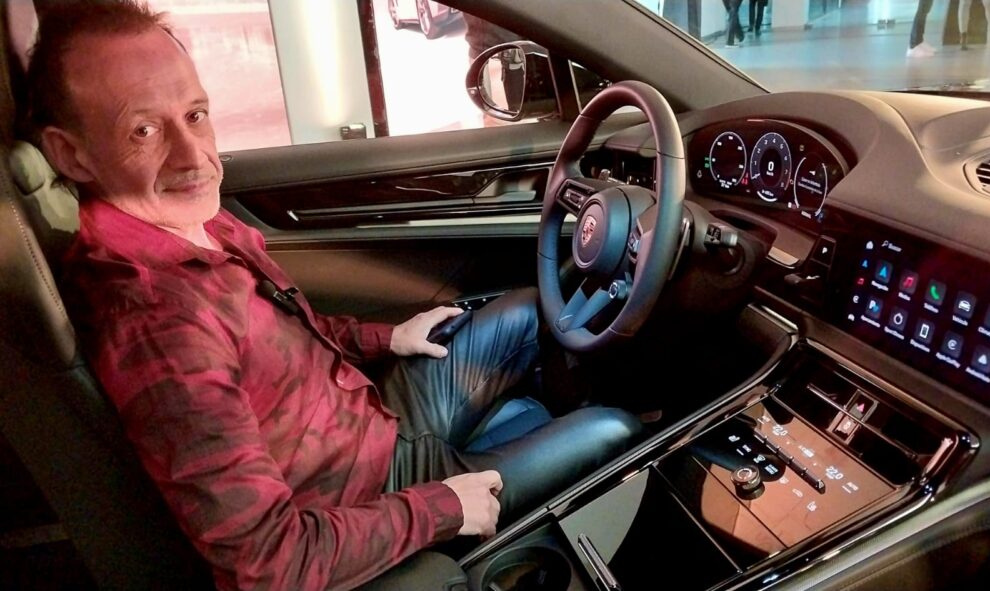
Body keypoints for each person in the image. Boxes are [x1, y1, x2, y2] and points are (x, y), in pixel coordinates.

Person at [26, 2, 641, 590]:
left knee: (530, 311)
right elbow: (268, 567)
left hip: (369, 424)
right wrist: (442, 508)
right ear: (69, 154)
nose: (195, 158)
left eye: (195, 114)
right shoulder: (158, 322)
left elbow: (288, 330)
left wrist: (387, 338)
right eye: (143, 130)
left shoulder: (190, 222)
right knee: (615, 430)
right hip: (361, 501)